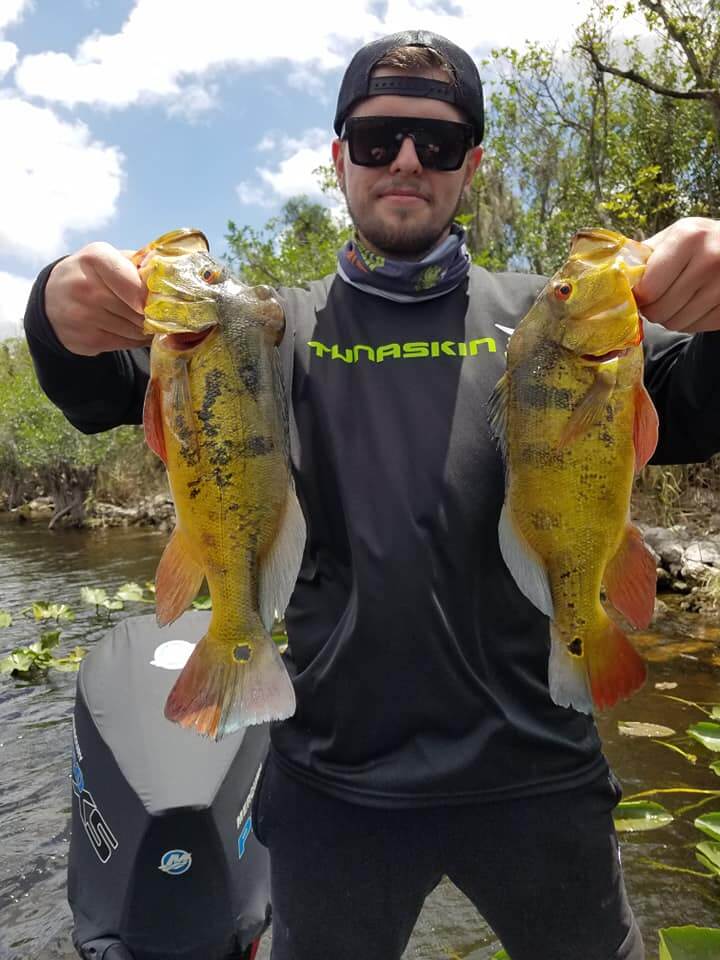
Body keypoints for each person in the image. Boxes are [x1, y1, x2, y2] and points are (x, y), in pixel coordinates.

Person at [24, 29, 720, 960]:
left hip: (539, 777)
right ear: (338, 154)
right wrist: (57, 311)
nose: (405, 161)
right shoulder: (265, 329)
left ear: (471, 163)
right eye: (378, 135)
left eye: (437, 144)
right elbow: (103, 392)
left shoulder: (550, 324)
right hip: (334, 790)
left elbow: (700, 403)